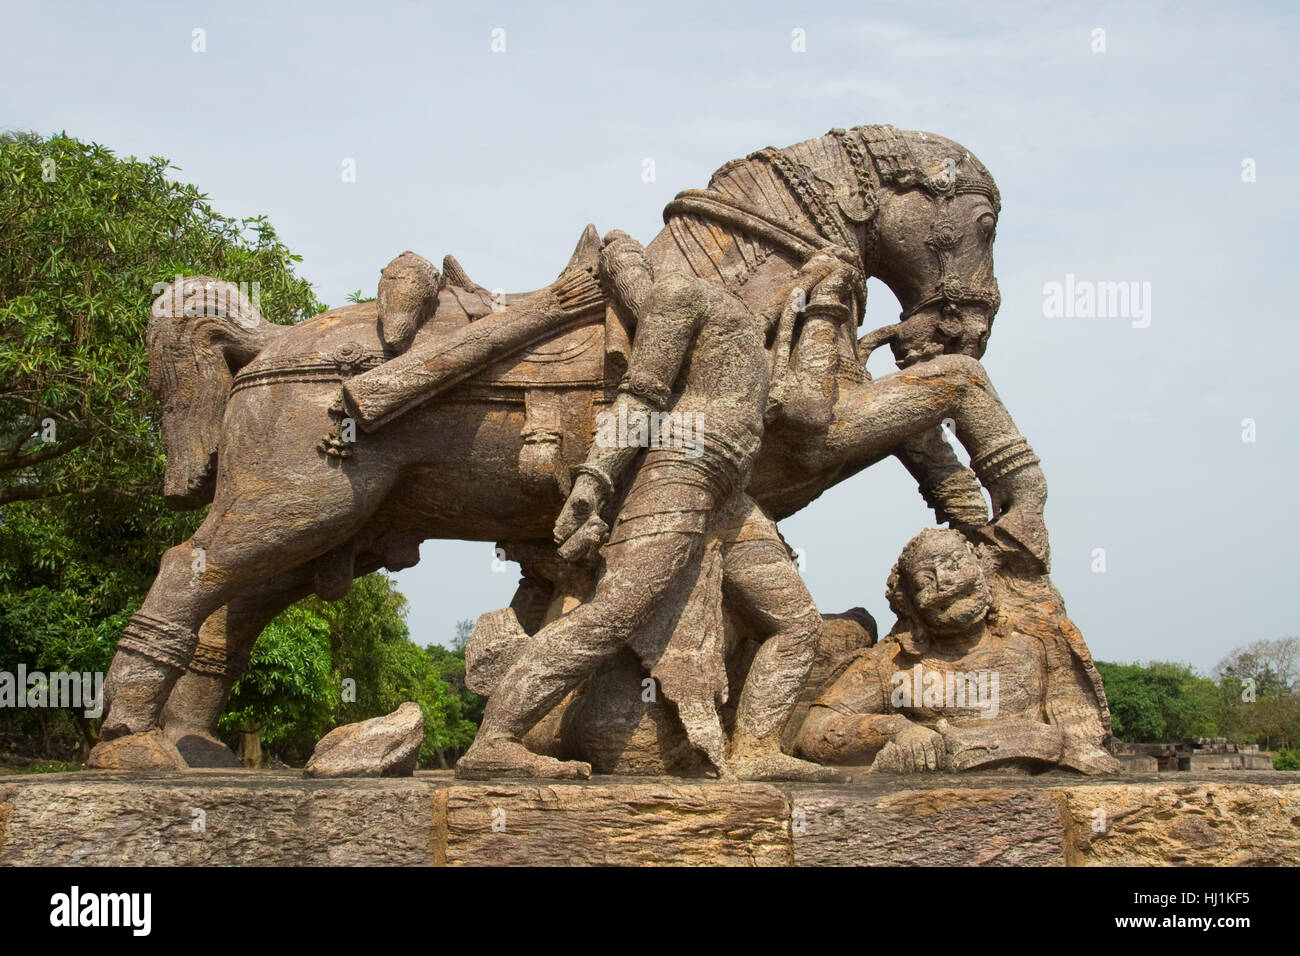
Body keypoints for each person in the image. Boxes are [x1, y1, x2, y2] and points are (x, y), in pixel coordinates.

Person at [456, 232, 837, 780]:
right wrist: (594, 482)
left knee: (797, 621)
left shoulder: (748, 334)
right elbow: (642, 397)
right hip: (679, 471)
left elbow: (803, 409)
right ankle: (493, 742)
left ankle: (756, 751)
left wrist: (820, 304)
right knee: (613, 614)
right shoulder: (682, 295)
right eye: (625, 268)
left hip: (727, 494)